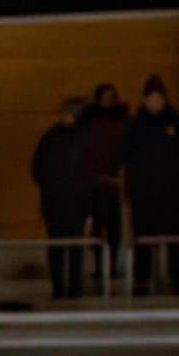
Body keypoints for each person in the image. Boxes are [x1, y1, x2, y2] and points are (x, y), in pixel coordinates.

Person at [121, 73, 179, 296]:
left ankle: (176, 278)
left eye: (159, 99)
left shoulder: (178, 123)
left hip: (173, 192)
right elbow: (126, 154)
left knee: (175, 237)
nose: (155, 103)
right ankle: (141, 279)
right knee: (143, 236)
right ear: (145, 100)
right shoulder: (135, 127)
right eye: (151, 99)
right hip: (144, 192)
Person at [31, 96, 88, 298]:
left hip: (70, 201)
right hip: (58, 201)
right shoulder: (53, 137)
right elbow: (38, 168)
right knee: (61, 247)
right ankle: (61, 288)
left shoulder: (55, 137)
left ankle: (71, 288)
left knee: (70, 248)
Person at [72, 82, 129, 281]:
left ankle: (111, 265)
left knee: (114, 226)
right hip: (93, 181)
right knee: (97, 225)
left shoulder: (120, 121)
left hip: (112, 180)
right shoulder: (90, 122)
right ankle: (98, 266)